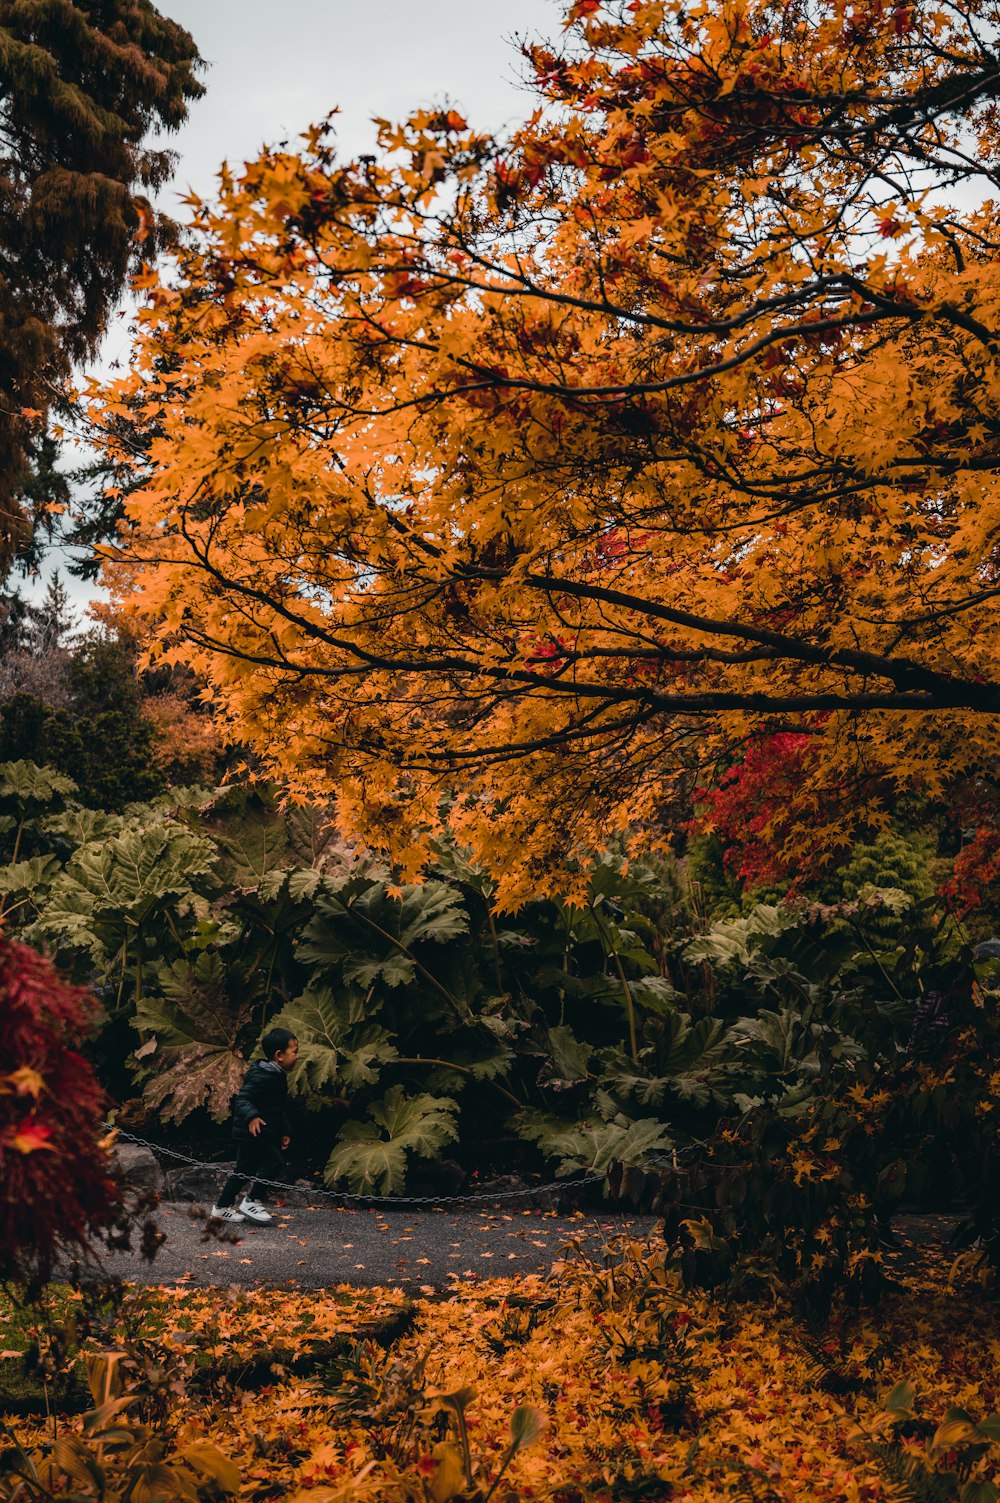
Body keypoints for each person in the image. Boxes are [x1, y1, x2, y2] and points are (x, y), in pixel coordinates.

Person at [210, 1028, 299, 1225]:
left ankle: (221, 1208)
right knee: (273, 1163)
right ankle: (251, 1201)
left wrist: (285, 1131)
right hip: (252, 1132)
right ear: (279, 1055)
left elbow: (277, 1109)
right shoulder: (264, 1076)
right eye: (294, 1051)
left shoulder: (277, 1075)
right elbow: (242, 1099)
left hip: (260, 1133)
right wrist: (252, 1117)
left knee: (244, 1170)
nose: (297, 1056)